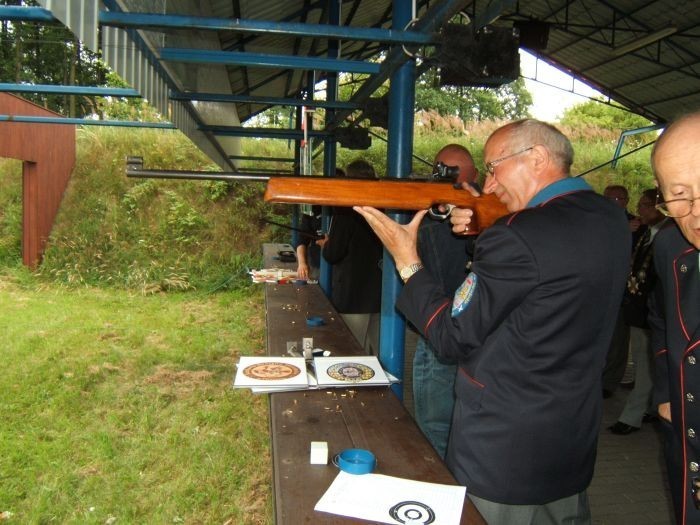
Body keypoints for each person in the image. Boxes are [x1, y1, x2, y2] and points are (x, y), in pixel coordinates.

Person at [355, 119, 630, 523]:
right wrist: (491, 227)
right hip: (570, 442)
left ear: (536, 157)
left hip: (502, 454)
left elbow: (451, 337)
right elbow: (542, 280)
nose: (487, 185)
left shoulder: (518, 235)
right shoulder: (609, 218)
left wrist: (407, 262)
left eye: (494, 167)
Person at [648, 112, 700, 525]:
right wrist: (667, 392)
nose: (695, 212)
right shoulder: (670, 246)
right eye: (679, 193)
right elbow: (660, 317)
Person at [412, 144, 478, 459]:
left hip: (442, 332)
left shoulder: (482, 212)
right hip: (477, 333)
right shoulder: (488, 211)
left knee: (435, 430)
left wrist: (435, 214)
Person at [609, 189, 668, 434]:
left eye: (647, 205)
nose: (641, 209)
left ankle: (631, 416)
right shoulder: (645, 234)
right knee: (647, 364)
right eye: (641, 204)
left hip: (654, 314)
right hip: (638, 309)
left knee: (646, 366)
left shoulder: (669, 236)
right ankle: (651, 407)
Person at [320, 159, 382, 355]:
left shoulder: (346, 211)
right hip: (381, 294)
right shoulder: (385, 206)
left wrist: (326, 244)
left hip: (353, 294)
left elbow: (333, 253)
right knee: (378, 353)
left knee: (352, 353)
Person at [602, 184, 644, 398]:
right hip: (599, 286)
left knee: (618, 338)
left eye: (617, 199)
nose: (612, 203)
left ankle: (609, 381)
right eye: (608, 198)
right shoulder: (597, 221)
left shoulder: (637, 224)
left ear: (626, 201)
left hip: (624, 290)